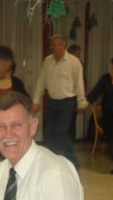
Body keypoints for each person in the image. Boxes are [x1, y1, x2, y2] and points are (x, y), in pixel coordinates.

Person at [33, 35, 88, 168]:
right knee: (49, 132)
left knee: (60, 131)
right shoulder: (48, 61)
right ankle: (54, 159)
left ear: (64, 46)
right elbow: (42, 80)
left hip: (67, 102)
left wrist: (81, 102)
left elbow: (79, 83)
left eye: (57, 44)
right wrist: (36, 100)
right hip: (52, 101)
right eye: (52, 45)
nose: (54, 47)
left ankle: (73, 160)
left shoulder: (74, 62)